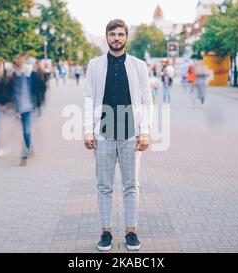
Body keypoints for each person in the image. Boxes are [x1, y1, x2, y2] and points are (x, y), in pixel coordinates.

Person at [83, 19, 152, 252]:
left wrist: (145, 132)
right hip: (102, 135)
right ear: (106, 37)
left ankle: (131, 232)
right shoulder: (94, 65)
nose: (116, 38)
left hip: (131, 135)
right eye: (112, 34)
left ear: (126, 37)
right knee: (104, 186)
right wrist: (86, 129)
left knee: (131, 185)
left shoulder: (138, 66)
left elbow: (146, 100)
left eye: (120, 34)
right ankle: (106, 232)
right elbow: (88, 98)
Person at [8, 54, 44, 166]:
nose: (19, 65)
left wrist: (38, 102)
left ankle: (26, 152)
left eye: (21, 63)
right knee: (25, 131)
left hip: (29, 107)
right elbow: (8, 91)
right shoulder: (14, 76)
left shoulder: (31, 75)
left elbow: (41, 87)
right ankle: (29, 149)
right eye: (17, 63)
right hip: (19, 108)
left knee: (26, 131)